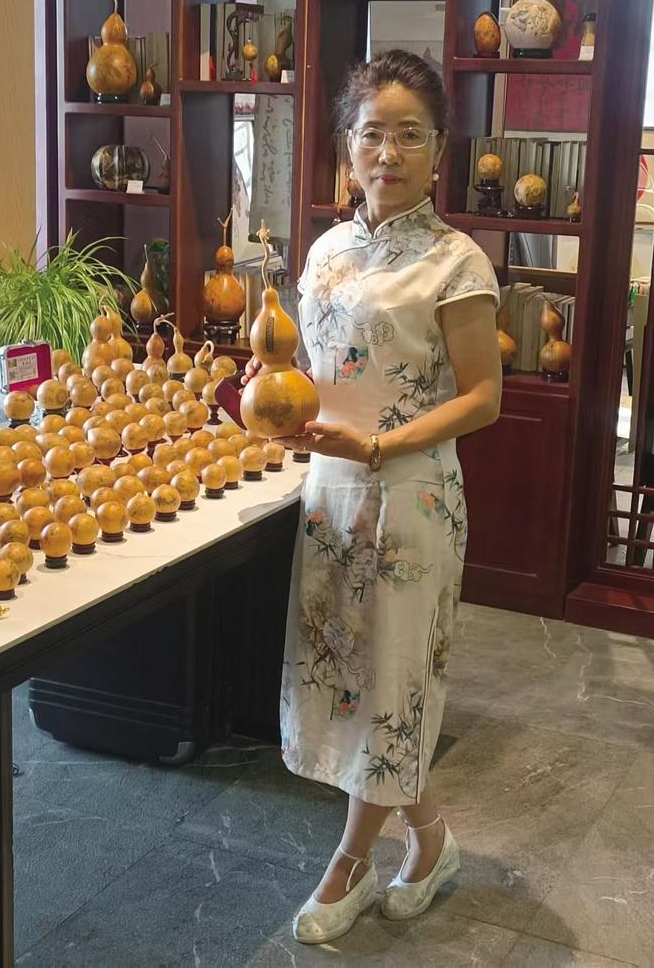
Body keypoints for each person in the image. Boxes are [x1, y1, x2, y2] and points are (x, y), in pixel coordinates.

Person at [242, 49, 502, 945]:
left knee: (392, 678)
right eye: (370, 133)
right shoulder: (324, 251)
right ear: (345, 146)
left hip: (409, 495)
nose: (387, 152)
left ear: (439, 149)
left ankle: (348, 862)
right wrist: (276, 397)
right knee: (350, 680)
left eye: (408, 135)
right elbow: (320, 372)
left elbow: (484, 396)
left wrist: (381, 444)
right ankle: (430, 842)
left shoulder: (456, 262)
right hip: (330, 490)